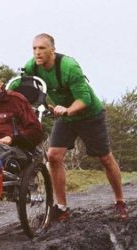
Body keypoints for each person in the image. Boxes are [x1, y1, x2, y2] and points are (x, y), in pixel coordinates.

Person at [10, 33, 128, 221]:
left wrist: (67, 110)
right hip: (65, 118)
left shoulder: (69, 67)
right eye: (34, 48)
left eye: (42, 48)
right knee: (54, 157)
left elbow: (85, 100)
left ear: (52, 50)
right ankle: (62, 207)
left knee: (105, 158)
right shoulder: (32, 65)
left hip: (90, 115)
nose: (37, 52)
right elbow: (19, 85)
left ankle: (120, 201)